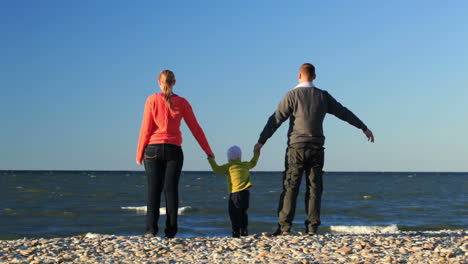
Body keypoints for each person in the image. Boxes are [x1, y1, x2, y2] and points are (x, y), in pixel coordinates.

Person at [254, 63, 374, 236]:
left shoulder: (292, 95)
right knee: (314, 188)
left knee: (290, 186)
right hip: (316, 147)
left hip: (296, 147)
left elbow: (275, 119)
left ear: (299, 75)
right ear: (314, 77)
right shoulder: (323, 96)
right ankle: (312, 228)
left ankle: (285, 228)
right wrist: (363, 127)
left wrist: (261, 141)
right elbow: (344, 112)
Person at [136, 69, 214, 238]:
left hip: (152, 150)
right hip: (173, 151)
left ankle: (151, 231)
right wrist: (208, 151)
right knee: (171, 191)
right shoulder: (183, 102)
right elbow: (196, 128)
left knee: (153, 191)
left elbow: (145, 129)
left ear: (159, 82)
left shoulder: (151, 100)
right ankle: (170, 232)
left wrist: (139, 152)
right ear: (174, 82)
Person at [208, 145, 260, 237]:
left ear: (228, 157)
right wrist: (256, 153)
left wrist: (211, 159)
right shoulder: (245, 164)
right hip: (246, 193)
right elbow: (254, 162)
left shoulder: (229, 166)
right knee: (243, 212)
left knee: (234, 213)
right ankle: (244, 231)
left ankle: (236, 232)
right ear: (240, 156)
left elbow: (216, 169)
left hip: (235, 194)